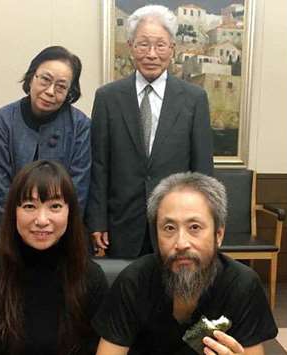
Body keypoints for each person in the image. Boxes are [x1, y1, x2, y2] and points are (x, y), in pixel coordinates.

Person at [92, 172, 277, 355]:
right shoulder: (133, 282)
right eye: (169, 228)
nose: (181, 243)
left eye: (194, 227)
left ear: (218, 235)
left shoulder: (242, 285)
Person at [0, 160, 108, 354]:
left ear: (70, 213)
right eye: (29, 206)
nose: (42, 220)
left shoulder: (90, 277)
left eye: (55, 206)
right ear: (13, 212)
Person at [86, 5, 214, 258]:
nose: (152, 54)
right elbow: (99, 165)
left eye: (160, 45)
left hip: (176, 224)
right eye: (143, 45)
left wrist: (203, 223)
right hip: (121, 222)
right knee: (124, 292)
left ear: (172, 49)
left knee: (173, 294)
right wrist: (97, 221)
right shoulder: (108, 97)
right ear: (132, 46)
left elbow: (202, 170)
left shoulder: (194, 99)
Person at [0, 46, 91, 246]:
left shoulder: (80, 125)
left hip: (63, 237)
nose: (50, 91)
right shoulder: (1, 122)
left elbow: (78, 189)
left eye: (61, 86)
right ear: (31, 77)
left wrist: (54, 230)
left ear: (70, 92)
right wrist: (22, 230)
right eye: (45, 79)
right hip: (9, 232)